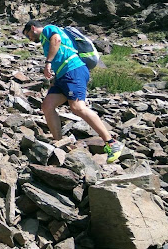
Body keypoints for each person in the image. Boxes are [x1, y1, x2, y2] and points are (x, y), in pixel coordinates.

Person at [23, 20, 123, 163]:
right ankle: (59, 143)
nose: (30, 40)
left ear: (33, 28)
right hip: (62, 76)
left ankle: (112, 143)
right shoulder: (46, 39)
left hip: (73, 70)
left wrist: (48, 62)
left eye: (29, 36)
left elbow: (56, 39)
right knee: (47, 106)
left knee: (77, 107)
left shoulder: (48, 30)